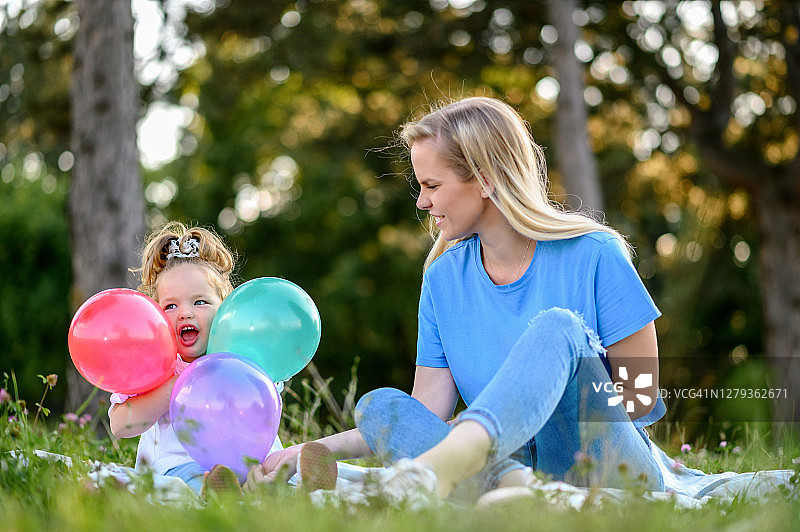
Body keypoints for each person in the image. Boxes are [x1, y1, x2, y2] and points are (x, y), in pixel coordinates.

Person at [246, 96, 666, 503]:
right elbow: (426, 411)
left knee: (560, 327)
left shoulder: (594, 254)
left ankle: (449, 472)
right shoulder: (442, 279)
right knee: (379, 407)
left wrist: (532, 400)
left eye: (432, 184)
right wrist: (313, 450)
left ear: (485, 179)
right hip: (512, 467)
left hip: (609, 465)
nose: (421, 201)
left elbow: (640, 401)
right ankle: (507, 486)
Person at [108, 221, 283, 495]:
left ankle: (294, 478)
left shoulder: (240, 360)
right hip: (181, 468)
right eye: (170, 306)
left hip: (253, 462)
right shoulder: (155, 369)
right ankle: (219, 493)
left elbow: (265, 409)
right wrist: (179, 382)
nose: (185, 313)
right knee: (188, 484)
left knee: (277, 468)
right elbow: (120, 426)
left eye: (200, 302)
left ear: (225, 308)